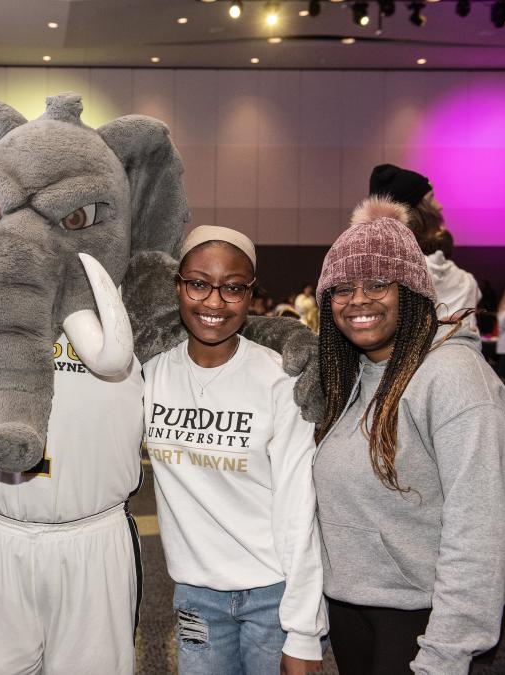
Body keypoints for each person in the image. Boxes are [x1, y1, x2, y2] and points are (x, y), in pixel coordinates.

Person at [313, 197, 505, 674]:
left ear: (411, 291)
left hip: (423, 624)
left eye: (377, 283)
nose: (358, 300)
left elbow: (480, 530)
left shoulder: (453, 377)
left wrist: (446, 654)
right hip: (352, 611)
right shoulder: (352, 374)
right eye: (342, 288)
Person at [143, 226, 326, 674]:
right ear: (179, 287)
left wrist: (303, 631)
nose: (214, 302)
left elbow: (299, 507)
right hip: (195, 596)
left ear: (250, 294)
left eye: (233, 288)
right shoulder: (148, 376)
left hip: (272, 595)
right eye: (199, 283)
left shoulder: (280, 379)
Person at [369, 163, 481, 330]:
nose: (439, 205)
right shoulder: (460, 279)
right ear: (413, 212)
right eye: (430, 198)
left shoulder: (379, 265)